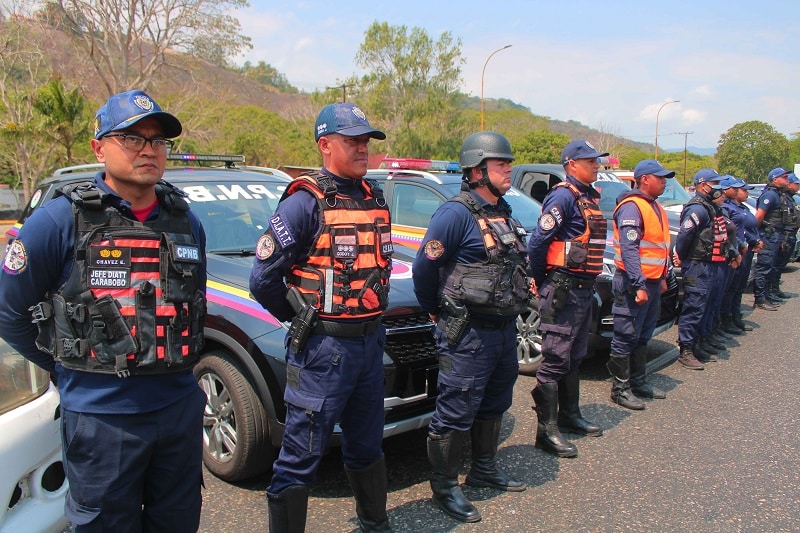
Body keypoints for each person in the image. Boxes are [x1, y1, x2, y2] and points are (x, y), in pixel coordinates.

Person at [0, 90, 208, 532]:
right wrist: (61, 366)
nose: (148, 150)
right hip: (101, 418)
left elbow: (194, 307)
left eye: (158, 141)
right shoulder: (59, 221)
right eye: (132, 138)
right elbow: (9, 312)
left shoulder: (186, 221)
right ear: (99, 147)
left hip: (178, 411)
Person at [250, 102, 392, 532]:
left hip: (370, 344)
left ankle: (374, 522)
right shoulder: (304, 201)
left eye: (365, 141)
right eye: (352, 140)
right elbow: (263, 279)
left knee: (368, 444)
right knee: (301, 454)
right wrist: (302, 319)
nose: (362, 148)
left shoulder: (373, 196)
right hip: (323, 350)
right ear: (325, 145)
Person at [412, 132, 529, 523]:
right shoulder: (454, 214)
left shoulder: (503, 212)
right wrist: (434, 309)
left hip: (502, 329)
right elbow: (424, 267)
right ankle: (445, 487)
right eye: (501, 163)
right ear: (478, 170)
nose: (508, 168)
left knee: (495, 402)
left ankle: (483, 469)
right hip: (467, 333)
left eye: (508, 163)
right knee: (456, 409)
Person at [527, 140, 608, 458]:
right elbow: (537, 243)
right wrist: (543, 281)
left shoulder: (588, 197)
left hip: (583, 289)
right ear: (571, 164)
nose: (596, 165)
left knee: (575, 355)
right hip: (563, 288)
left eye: (597, 161)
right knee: (556, 358)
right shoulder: (562, 196)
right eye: (590, 161)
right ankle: (546, 432)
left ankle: (569, 415)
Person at [607, 160, 672, 410]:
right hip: (633, 283)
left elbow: (660, 248)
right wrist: (639, 284)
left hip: (653, 282)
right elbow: (630, 249)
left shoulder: (655, 207)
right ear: (645, 179)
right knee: (625, 335)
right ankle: (620, 389)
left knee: (643, 335)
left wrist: (662, 277)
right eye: (661, 177)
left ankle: (638, 381)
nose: (664, 181)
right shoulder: (632, 207)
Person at [673, 169, 729, 369]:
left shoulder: (711, 207)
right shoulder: (697, 209)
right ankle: (686, 349)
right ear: (703, 184)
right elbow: (684, 236)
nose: (718, 188)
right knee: (694, 307)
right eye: (715, 183)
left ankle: (697, 344)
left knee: (705, 306)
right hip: (697, 265)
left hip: (710, 264)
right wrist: (680, 255)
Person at [719, 176, 760, 334]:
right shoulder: (726, 207)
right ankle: (726, 319)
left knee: (739, 286)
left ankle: (735, 316)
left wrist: (754, 242)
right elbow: (732, 231)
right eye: (736, 188)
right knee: (729, 288)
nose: (739, 191)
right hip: (733, 251)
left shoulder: (741, 207)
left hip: (743, 250)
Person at [753, 167, 793, 310]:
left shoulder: (779, 194)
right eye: (784, 177)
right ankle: (760, 299)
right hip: (769, 235)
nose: (787, 179)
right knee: (764, 268)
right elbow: (759, 217)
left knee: (770, 267)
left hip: (776, 236)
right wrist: (755, 237)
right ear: (775, 179)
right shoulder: (770, 195)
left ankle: (767, 295)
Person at [772, 172, 799, 297]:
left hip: (791, 234)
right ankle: (772, 291)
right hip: (784, 235)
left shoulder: (790, 198)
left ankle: (775, 289)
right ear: (789, 184)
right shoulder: (782, 197)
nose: (798, 186)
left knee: (780, 265)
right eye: (796, 184)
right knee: (776, 265)